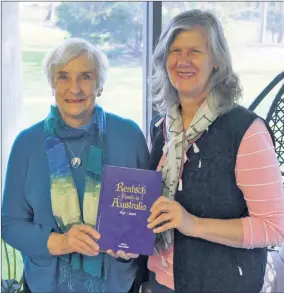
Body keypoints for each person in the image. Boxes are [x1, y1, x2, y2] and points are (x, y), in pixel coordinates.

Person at [146, 9, 284, 293]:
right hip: (160, 279)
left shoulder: (246, 131)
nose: (182, 60)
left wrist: (193, 224)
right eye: (175, 51)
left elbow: (274, 227)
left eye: (194, 51)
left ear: (217, 63)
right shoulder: (161, 128)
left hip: (221, 283)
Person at [1, 38, 149, 293]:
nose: (75, 88)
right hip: (46, 285)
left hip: (116, 284)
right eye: (63, 77)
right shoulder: (27, 143)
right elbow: (10, 225)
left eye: (85, 76)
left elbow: (144, 218)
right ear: (52, 84)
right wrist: (60, 242)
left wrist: (128, 248)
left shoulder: (129, 136)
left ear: (100, 85)